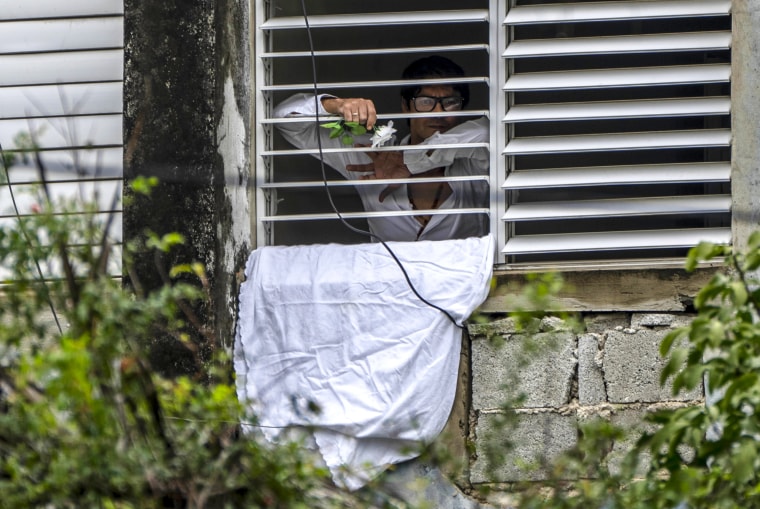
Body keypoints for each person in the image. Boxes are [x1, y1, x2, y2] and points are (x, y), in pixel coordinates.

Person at [273, 55, 489, 242]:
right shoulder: (372, 155)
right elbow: (285, 121)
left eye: (451, 102)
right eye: (425, 102)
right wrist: (336, 105)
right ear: (406, 106)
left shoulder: (473, 161)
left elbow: (488, 130)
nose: (439, 113)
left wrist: (410, 162)